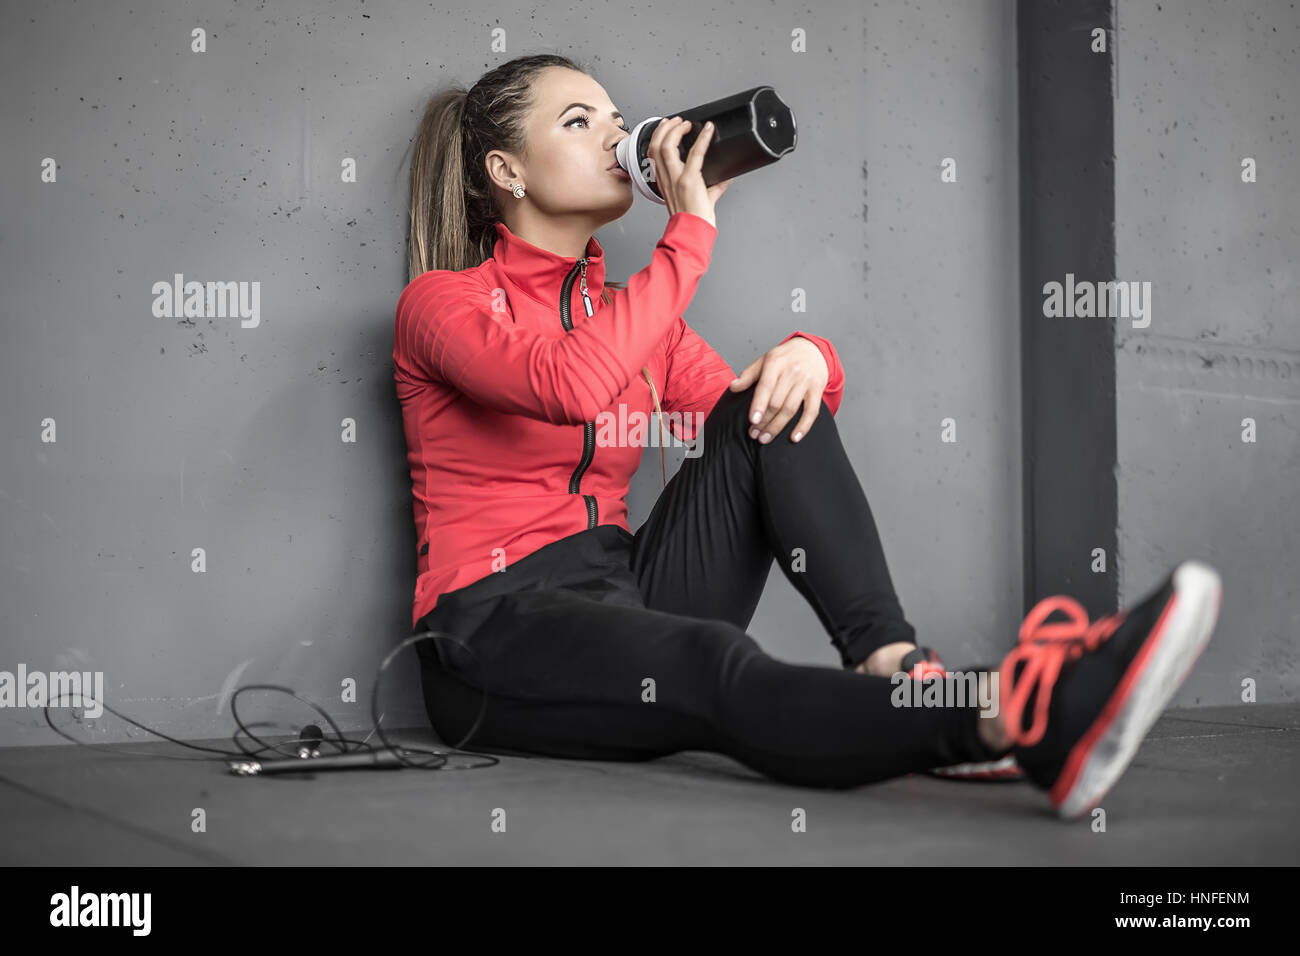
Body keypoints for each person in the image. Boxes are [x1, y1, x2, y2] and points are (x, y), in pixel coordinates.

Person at [392, 53, 1223, 818]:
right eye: (578, 121)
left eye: (615, 117)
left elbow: (760, 421)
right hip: (494, 632)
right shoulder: (442, 305)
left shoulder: (635, 314)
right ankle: (1021, 719)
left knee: (775, 401)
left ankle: (898, 668)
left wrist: (809, 357)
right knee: (714, 665)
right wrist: (690, 237)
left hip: (625, 587)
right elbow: (566, 384)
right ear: (506, 172)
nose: (614, 134)